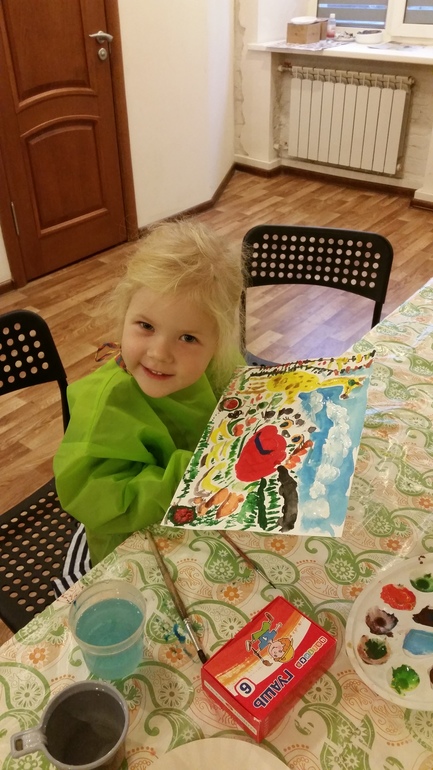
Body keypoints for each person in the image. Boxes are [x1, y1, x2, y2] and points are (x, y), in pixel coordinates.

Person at [53, 219, 245, 575]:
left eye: (187, 338)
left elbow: (240, 400)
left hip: (197, 515)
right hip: (125, 550)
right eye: (146, 326)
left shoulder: (214, 368)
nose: (159, 354)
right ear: (123, 315)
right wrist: (194, 473)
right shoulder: (105, 405)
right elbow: (95, 499)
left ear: (217, 343)